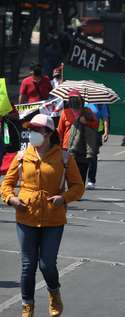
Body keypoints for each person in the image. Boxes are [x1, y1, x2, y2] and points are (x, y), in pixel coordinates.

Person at [1, 114, 84, 317]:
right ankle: (27, 306)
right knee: (28, 266)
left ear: (48, 133)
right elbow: (6, 184)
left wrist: (63, 198)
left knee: (47, 264)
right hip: (26, 217)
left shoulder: (64, 157)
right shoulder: (22, 156)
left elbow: (78, 187)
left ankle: (54, 292)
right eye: (31, 129)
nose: (33, 133)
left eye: (38, 130)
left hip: (53, 218)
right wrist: (11, 199)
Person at [57, 90, 99, 184]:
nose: (74, 101)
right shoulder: (65, 113)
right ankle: (72, 191)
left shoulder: (87, 111)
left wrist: (86, 122)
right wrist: (58, 147)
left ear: (81, 100)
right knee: (69, 171)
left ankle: (78, 191)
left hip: (83, 147)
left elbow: (96, 124)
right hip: (67, 147)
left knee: (82, 171)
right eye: (71, 99)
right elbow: (60, 131)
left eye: (76, 99)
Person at [84, 103, 110, 190]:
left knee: (92, 157)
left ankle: (91, 180)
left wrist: (106, 132)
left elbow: (105, 118)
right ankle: (80, 180)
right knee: (82, 157)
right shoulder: (86, 103)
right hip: (83, 132)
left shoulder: (102, 105)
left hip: (95, 133)